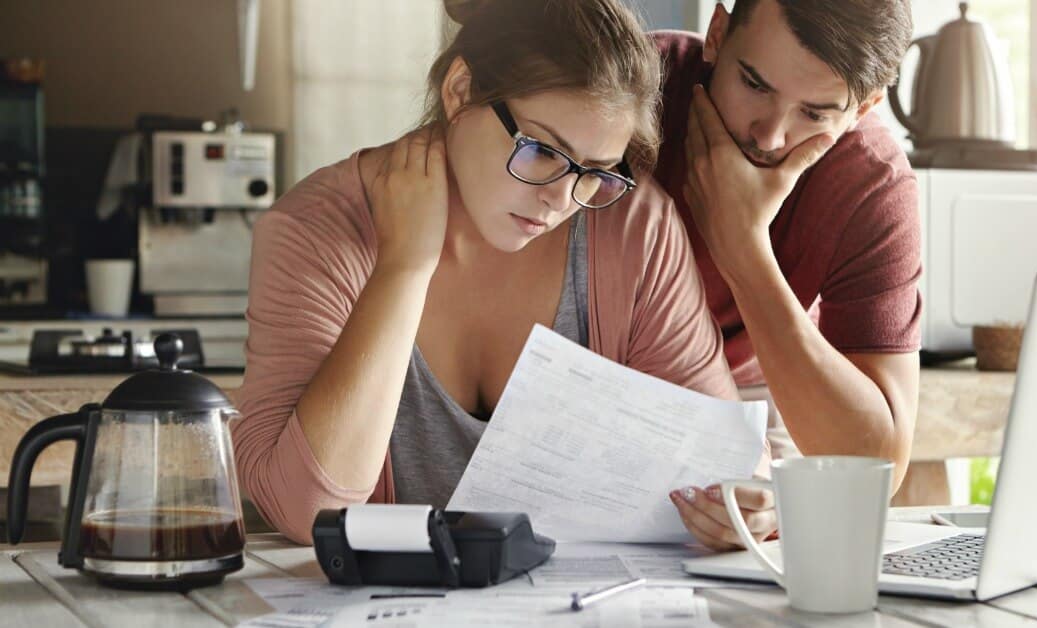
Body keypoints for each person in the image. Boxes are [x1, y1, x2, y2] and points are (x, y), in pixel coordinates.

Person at [232, 0, 774, 549]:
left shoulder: (631, 225)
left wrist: (746, 505)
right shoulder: (316, 230)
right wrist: (403, 268)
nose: (561, 199)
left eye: (596, 172)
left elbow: (724, 464)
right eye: (541, 150)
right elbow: (308, 511)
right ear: (461, 90)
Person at [655, 0, 922, 549]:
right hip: (594, 362)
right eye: (754, 84)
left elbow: (876, 469)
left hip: (759, 383)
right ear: (718, 34)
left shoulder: (872, 183)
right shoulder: (634, 86)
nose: (771, 135)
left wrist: (743, 249)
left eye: (816, 114)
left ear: (864, 108)